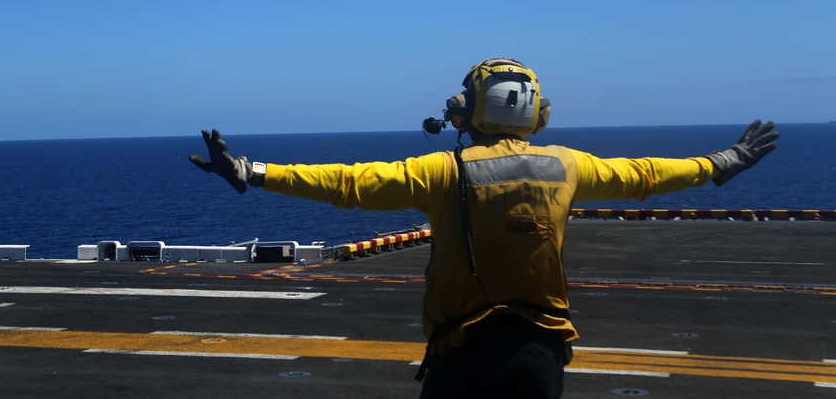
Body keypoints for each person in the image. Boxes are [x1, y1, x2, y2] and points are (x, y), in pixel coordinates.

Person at [189, 57, 779, 399]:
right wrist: (721, 163)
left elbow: (347, 182)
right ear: (536, 113)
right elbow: (648, 173)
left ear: (473, 110)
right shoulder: (568, 166)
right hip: (542, 353)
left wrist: (252, 171)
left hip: (463, 356)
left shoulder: (443, 170)